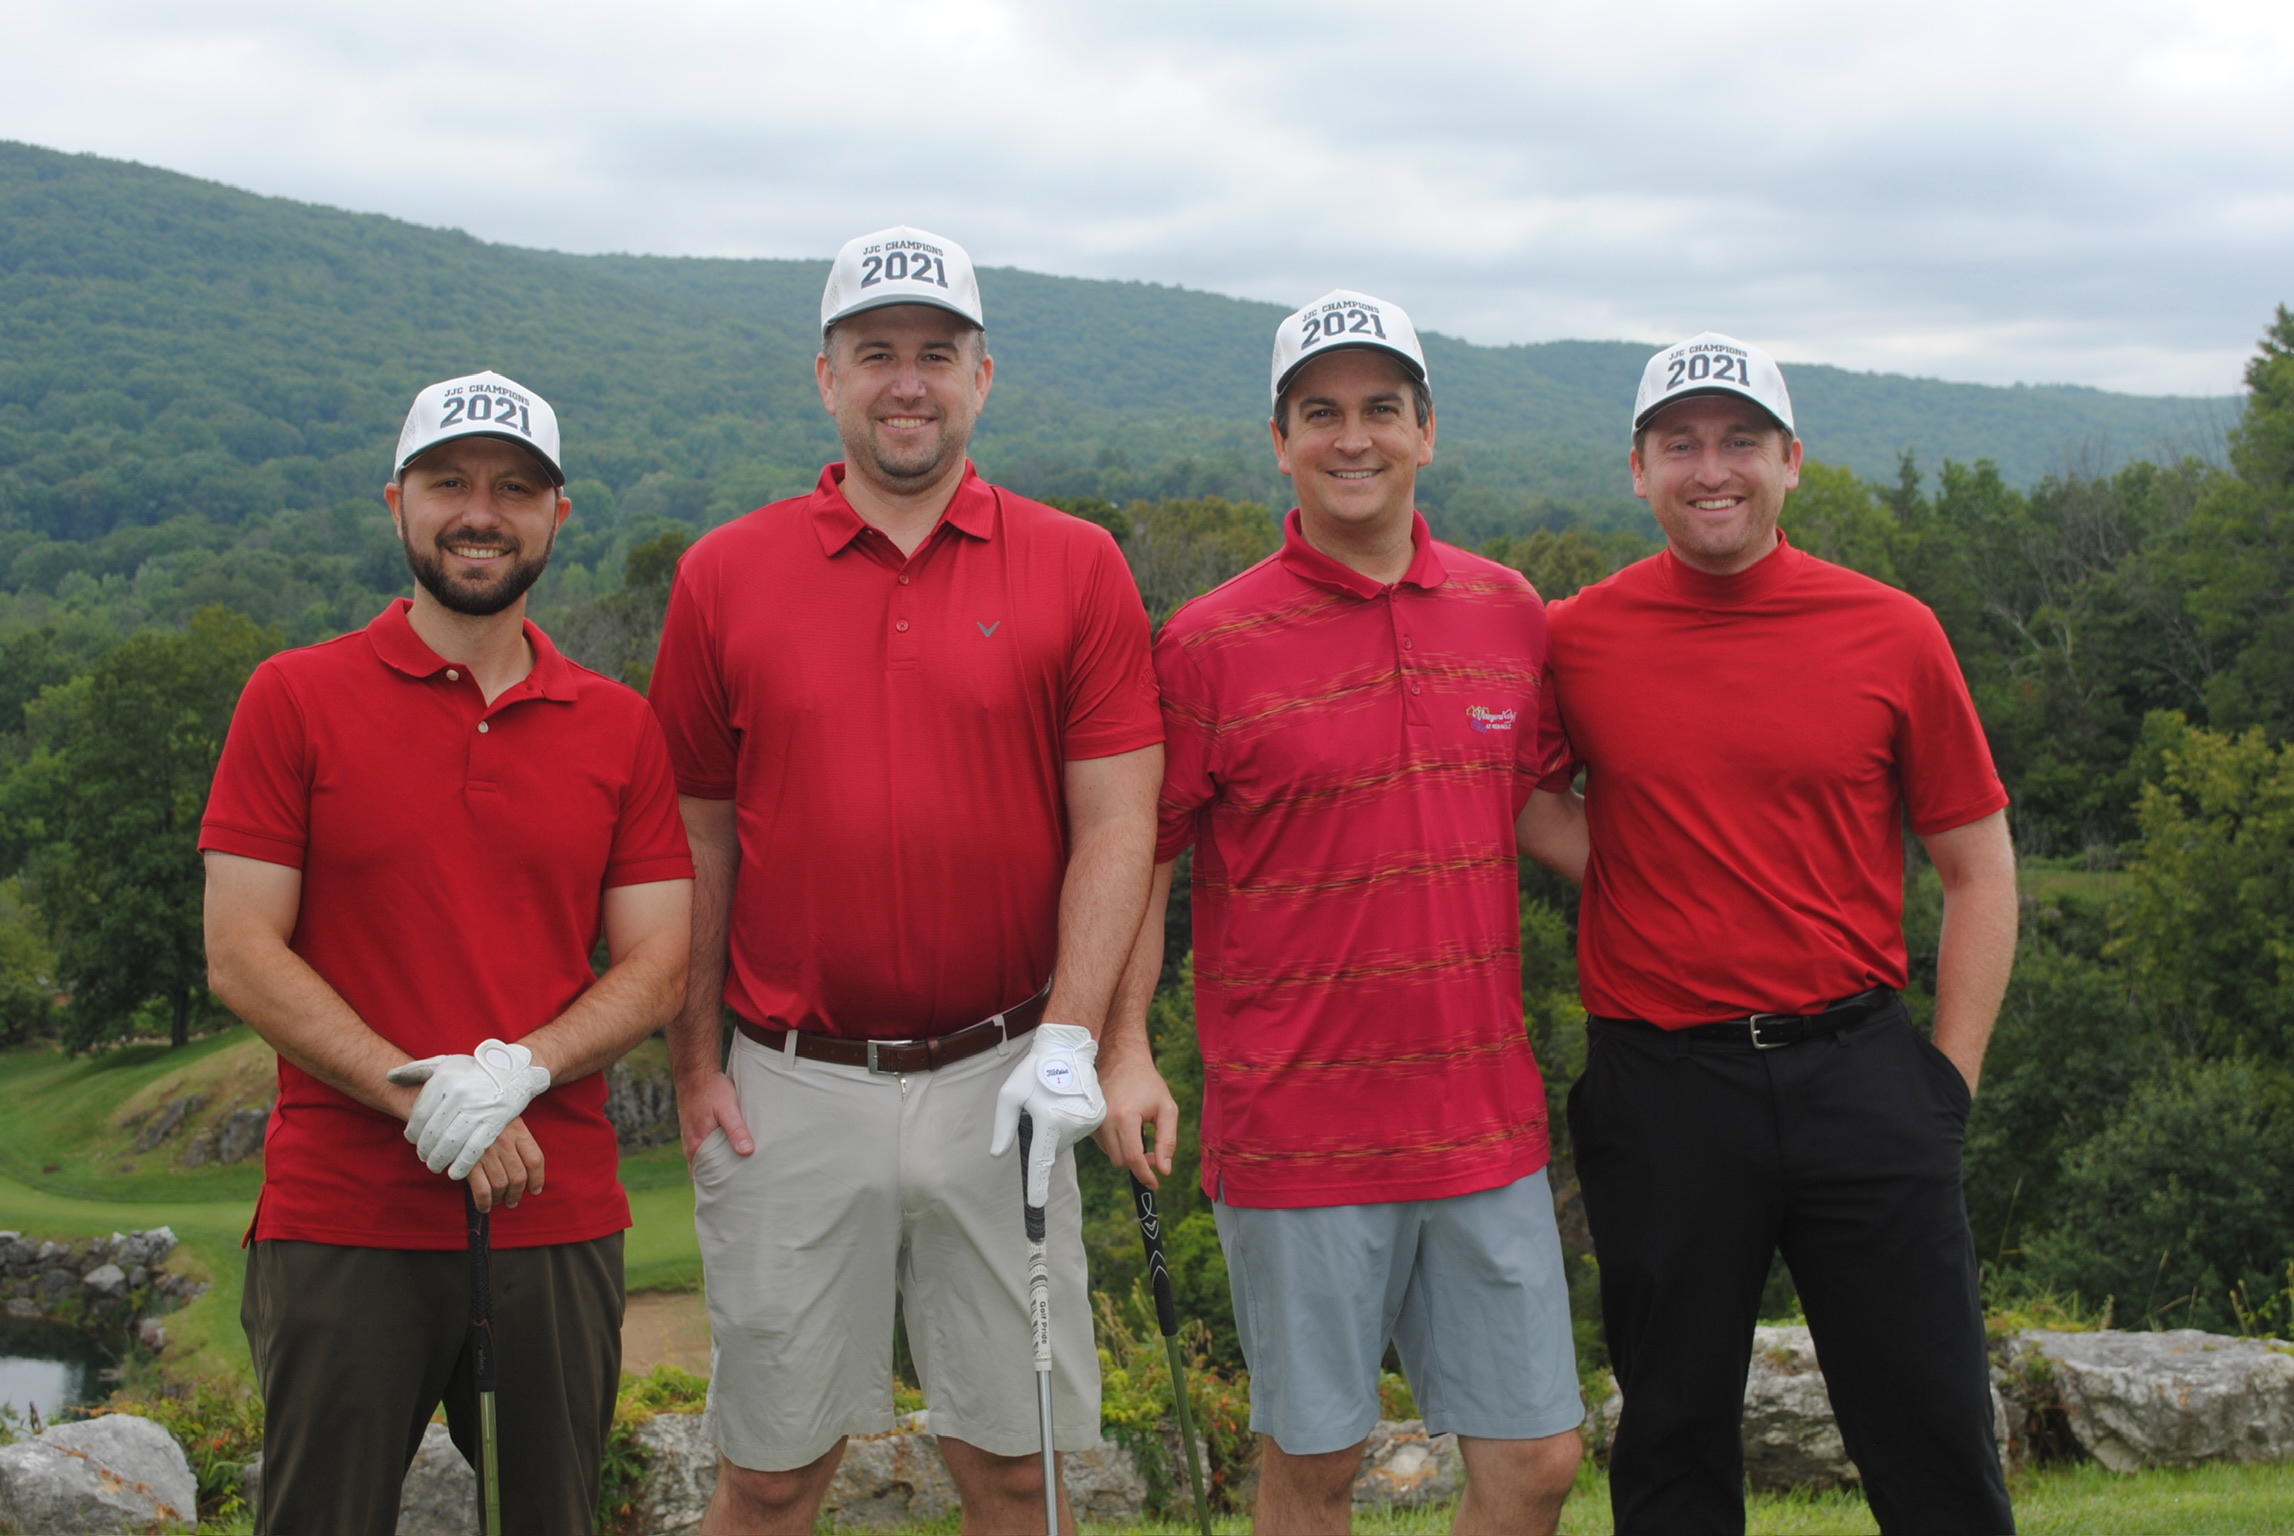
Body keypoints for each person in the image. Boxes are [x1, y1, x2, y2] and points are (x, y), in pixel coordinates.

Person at [646, 226, 1165, 1536]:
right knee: (770, 1474)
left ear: (981, 376)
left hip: (1007, 1073)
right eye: (874, 352)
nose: (906, 381)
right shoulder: (722, 575)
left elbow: (1118, 823)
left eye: (936, 353)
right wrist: (696, 1065)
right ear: (825, 377)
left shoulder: (1076, 562)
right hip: (789, 1081)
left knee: (1018, 1469)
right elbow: (693, 840)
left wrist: (1073, 1040)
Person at [1519, 332, 2019, 1534]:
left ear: (1790, 461)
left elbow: (1977, 869)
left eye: (1739, 440)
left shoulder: (1890, 630)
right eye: (1678, 444)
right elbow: (1524, 796)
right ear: (1635, 470)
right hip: (1660, 1087)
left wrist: (1944, 1085)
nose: (1711, 469)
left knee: (1933, 1434)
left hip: (1860, 1076)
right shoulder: (1574, 636)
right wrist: (1643, 869)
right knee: (1671, 1440)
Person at [1106, 290, 1585, 1536]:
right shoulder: (1206, 643)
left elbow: (1537, 806)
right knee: (1314, 1466)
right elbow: (1140, 857)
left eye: (1381, 408)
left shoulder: (1507, 610)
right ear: (1280, 442)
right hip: (1296, 1130)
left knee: (1536, 1459)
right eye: (1319, 413)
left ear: (1427, 430)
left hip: (1482, 1120)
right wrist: (1122, 1046)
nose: (1352, 437)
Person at [200, 370, 696, 1535]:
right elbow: (240, 952)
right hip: (342, 1216)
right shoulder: (293, 697)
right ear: (397, 503)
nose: (481, 512)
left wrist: (520, 1069)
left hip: (553, 1210)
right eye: (448, 483)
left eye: (515, 488)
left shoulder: (618, 725)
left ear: (556, 515)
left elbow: (660, 962)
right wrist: (421, 1098)